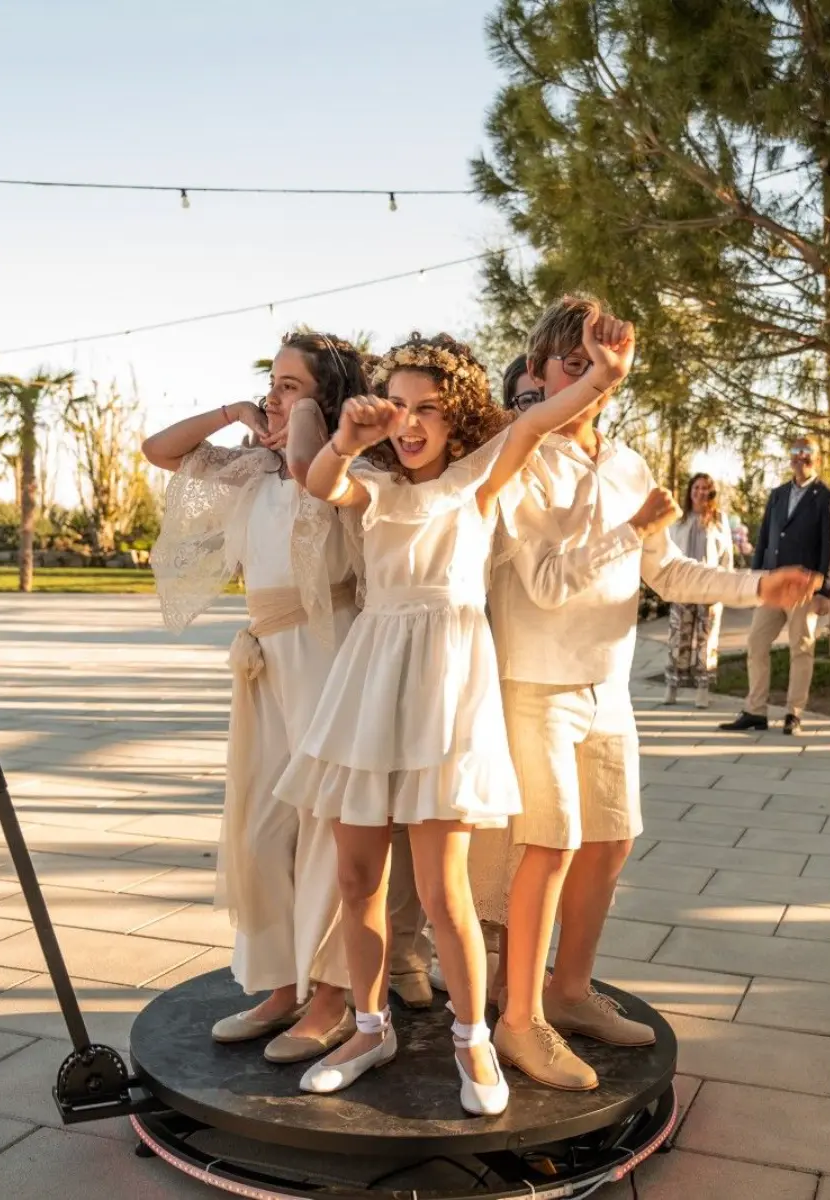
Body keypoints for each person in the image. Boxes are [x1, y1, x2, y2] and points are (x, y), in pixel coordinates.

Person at [274, 311, 630, 1115]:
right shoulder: (371, 483)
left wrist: (603, 376)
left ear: (456, 414)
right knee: (357, 876)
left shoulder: (479, 477)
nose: (409, 422)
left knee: (444, 890)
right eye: (397, 405)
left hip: (446, 687)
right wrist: (347, 437)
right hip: (372, 681)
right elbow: (320, 482)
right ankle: (371, 1029)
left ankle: (475, 1040)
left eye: (427, 408)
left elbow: (539, 418)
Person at [473, 296, 821, 1093]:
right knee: (548, 848)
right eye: (574, 365)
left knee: (612, 841)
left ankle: (568, 992)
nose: (592, 379)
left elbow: (667, 572)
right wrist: (629, 532)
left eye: (601, 366)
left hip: (609, 685)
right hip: (534, 683)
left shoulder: (628, 462)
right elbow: (547, 583)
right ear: (539, 372)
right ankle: (518, 1021)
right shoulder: (519, 456)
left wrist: (759, 584)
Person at [144, 330, 420, 1063]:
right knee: (261, 828)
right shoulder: (252, 467)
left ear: (327, 398)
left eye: (290, 385)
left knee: (330, 828)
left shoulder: (346, 466)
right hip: (266, 662)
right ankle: (278, 983)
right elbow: (159, 450)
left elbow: (307, 468)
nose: (273, 396)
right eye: (271, 382)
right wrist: (233, 410)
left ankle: (332, 998)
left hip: (330, 656)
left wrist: (303, 415)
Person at [720, 435, 830, 735]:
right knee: (756, 643)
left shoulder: (826, 497)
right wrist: (755, 580)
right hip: (772, 586)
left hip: (803, 589)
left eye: (807, 451)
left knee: (801, 649)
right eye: (796, 451)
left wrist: (825, 591)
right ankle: (755, 711)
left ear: (817, 458)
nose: (800, 456)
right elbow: (763, 540)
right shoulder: (777, 495)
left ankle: (793, 713)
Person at [664, 472, 733, 709]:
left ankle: (703, 689)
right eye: (696, 487)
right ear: (690, 491)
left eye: (705, 488)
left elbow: (727, 555)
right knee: (678, 638)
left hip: (710, 588)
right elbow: (668, 552)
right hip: (683, 587)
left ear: (711, 492)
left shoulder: (719, 520)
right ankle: (672, 685)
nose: (700, 492)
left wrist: (727, 584)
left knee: (707, 640)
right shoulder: (678, 519)